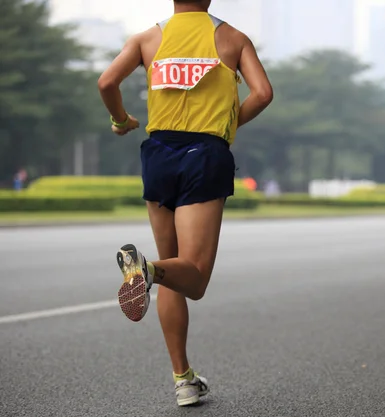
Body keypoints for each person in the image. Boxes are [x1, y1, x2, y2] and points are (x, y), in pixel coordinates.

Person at [97, 0, 273, 407]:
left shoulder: (146, 38)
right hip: (205, 154)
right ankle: (147, 269)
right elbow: (263, 93)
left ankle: (184, 380)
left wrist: (121, 120)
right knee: (192, 278)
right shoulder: (232, 38)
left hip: (158, 153)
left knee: (172, 269)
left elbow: (107, 83)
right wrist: (228, 124)